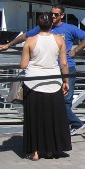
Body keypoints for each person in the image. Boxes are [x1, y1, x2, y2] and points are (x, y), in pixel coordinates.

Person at [0, 4, 85, 136]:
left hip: (67, 67)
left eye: (56, 14)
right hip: (50, 70)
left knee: (65, 100)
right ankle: (68, 125)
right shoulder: (44, 27)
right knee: (54, 99)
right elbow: (25, 36)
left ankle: (70, 125)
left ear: (62, 16)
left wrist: (75, 51)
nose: (53, 16)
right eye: (51, 14)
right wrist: (8, 44)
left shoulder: (70, 28)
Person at [20, 12, 71, 160]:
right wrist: (66, 81)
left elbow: (23, 65)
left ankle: (34, 151)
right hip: (53, 81)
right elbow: (64, 63)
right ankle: (50, 150)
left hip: (33, 82)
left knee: (34, 117)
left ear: (38, 24)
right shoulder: (59, 40)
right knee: (51, 117)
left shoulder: (30, 40)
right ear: (51, 25)